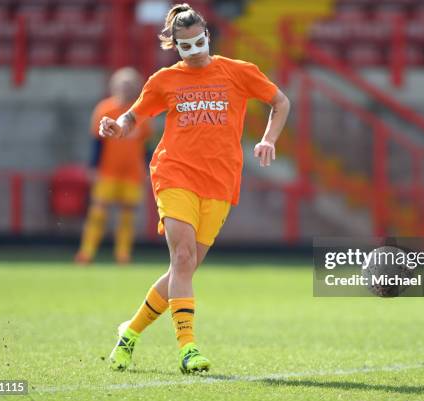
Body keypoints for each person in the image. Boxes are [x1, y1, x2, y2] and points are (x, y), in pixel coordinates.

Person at [102, 3, 290, 374]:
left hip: (220, 181)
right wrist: (118, 127)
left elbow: (280, 102)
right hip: (175, 173)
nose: (195, 52)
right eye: (185, 47)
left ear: (208, 36)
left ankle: (129, 333)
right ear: (175, 46)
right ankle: (188, 349)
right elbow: (134, 115)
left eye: (199, 42)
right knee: (183, 258)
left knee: (182, 269)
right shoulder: (165, 80)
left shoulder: (238, 72)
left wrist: (269, 139)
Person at [75, 67, 153, 266]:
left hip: (132, 173)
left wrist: (148, 168)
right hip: (107, 171)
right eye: (122, 84)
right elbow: (97, 142)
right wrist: (93, 167)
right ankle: (86, 252)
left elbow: (145, 145)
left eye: (130, 84)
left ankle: (123, 255)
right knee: (98, 212)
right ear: (114, 85)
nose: (125, 88)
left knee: (127, 215)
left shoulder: (140, 113)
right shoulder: (105, 109)